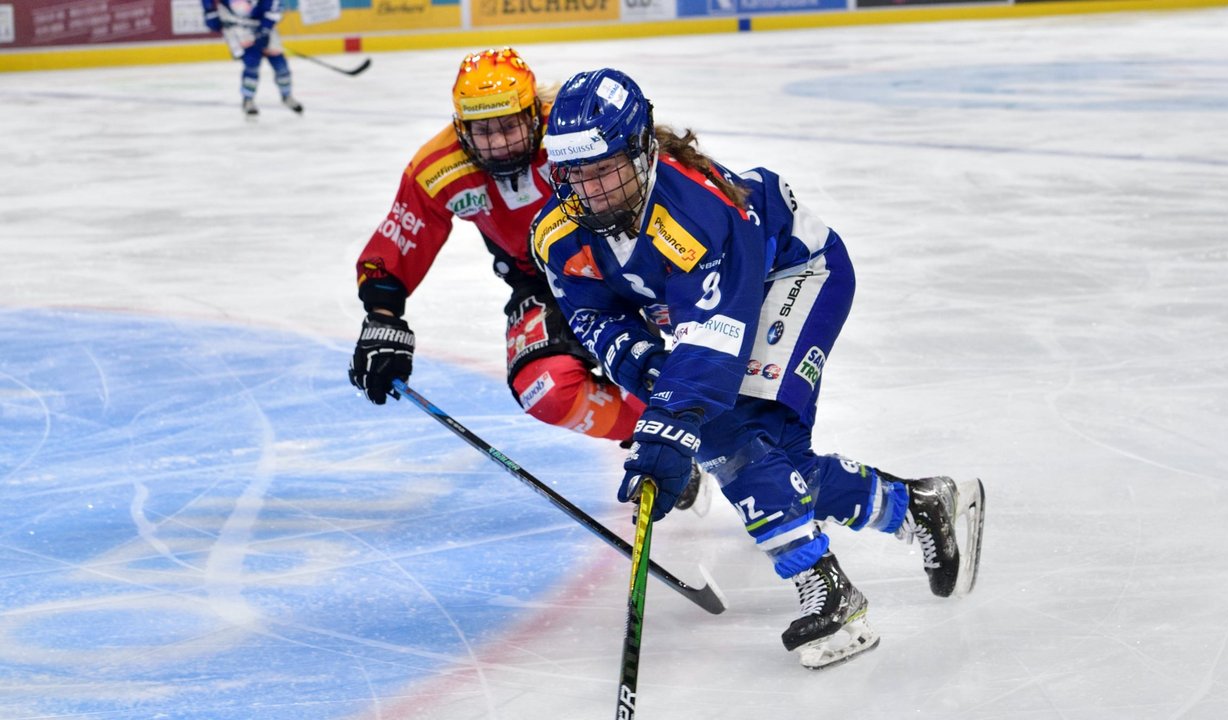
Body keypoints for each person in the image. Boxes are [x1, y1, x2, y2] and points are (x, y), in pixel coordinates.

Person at [530, 68, 986, 669]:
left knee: (726, 433)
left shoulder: (699, 210)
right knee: (776, 461)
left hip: (799, 276)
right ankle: (916, 507)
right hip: (729, 310)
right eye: (575, 172)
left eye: (604, 167)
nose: (591, 188)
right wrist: (643, 368)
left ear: (641, 150)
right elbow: (596, 318)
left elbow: (714, 340)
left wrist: (671, 420)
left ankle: (827, 588)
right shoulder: (556, 234)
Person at [349, 49, 703, 512]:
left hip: (628, 261)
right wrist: (382, 315)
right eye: (482, 129)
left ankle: (715, 444)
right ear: (461, 127)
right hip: (543, 282)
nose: (497, 143)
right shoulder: (439, 168)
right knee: (546, 390)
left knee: (696, 359)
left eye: (509, 125)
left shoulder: (575, 131)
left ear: (534, 112)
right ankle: (652, 435)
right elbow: (403, 235)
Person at [202, 0, 304, 116]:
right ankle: (248, 99)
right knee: (252, 62)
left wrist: (265, 29)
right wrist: (210, 12)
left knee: (280, 63)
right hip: (236, 24)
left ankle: (287, 96)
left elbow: (274, 8)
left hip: (262, 23)